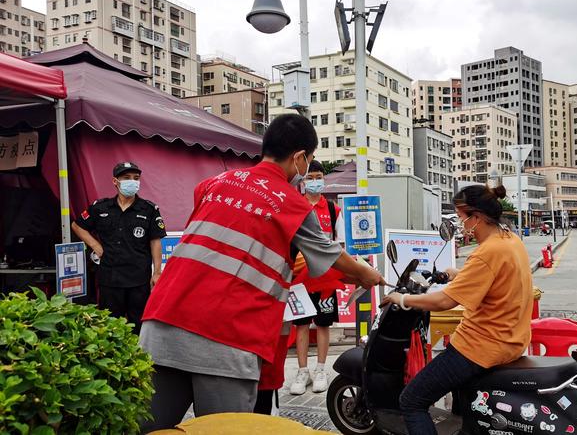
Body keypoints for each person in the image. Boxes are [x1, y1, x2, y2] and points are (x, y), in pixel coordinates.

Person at [138, 114, 384, 432]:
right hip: (226, 338)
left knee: (145, 427)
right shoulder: (293, 205)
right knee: (225, 430)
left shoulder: (212, 185)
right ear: (299, 159)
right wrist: (368, 275)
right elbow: (334, 256)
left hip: (161, 325)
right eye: (309, 160)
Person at [380, 185, 533, 434]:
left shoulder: (486, 252)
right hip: (512, 340)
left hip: (480, 346)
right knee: (463, 404)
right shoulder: (510, 240)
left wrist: (403, 299)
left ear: (477, 218)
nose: (460, 225)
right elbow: (499, 280)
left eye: (461, 218)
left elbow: (444, 302)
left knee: (411, 401)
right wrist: (458, 275)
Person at [71, 161, 166, 334]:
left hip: (139, 279)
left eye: (136, 178)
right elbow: (77, 226)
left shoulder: (149, 209)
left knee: (139, 325)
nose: (133, 181)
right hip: (110, 278)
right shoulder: (100, 207)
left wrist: (157, 271)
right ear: (115, 181)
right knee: (109, 326)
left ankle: (139, 358)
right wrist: (95, 245)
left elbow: (155, 241)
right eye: (127, 178)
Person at [289, 160, 346, 395]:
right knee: (302, 325)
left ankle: (321, 369)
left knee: (323, 325)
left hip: (325, 280)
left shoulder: (333, 210)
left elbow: (340, 245)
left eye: (318, 176)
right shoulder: (294, 206)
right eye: (310, 177)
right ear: (302, 180)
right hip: (298, 280)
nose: (315, 181)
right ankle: (303, 371)